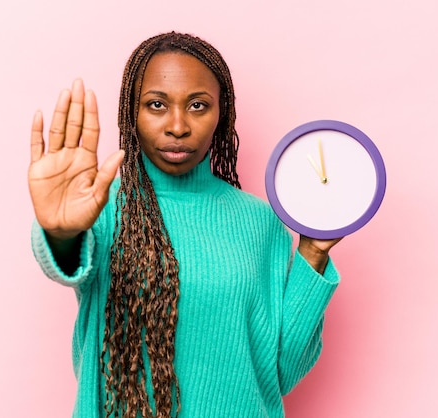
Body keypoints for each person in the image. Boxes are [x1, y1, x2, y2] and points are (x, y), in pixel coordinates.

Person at [28, 31, 342, 418]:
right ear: (132, 112)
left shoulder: (260, 222)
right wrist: (60, 232)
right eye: (156, 104)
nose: (178, 125)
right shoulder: (101, 207)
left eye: (197, 105)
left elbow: (279, 372)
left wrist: (313, 251)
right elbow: (68, 258)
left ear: (220, 114)